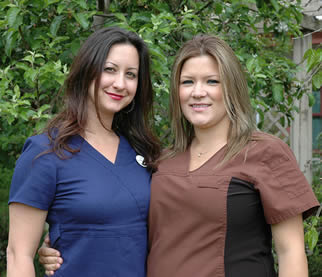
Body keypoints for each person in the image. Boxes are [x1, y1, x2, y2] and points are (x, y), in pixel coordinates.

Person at [38, 35, 320, 277]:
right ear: (177, 91)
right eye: (187, 82)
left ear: (231, 88)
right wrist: (62, 244)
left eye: (212, 81)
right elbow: (120, 221)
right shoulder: (160, 159)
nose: (198, 92)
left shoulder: (264, 152)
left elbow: (291, 250)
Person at [7, 26, 160, 277]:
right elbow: (18, 255)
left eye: (131, 74)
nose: (120, 83)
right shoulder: (45, 152)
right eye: (109, 69)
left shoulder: (143, 152)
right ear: (87, 69)